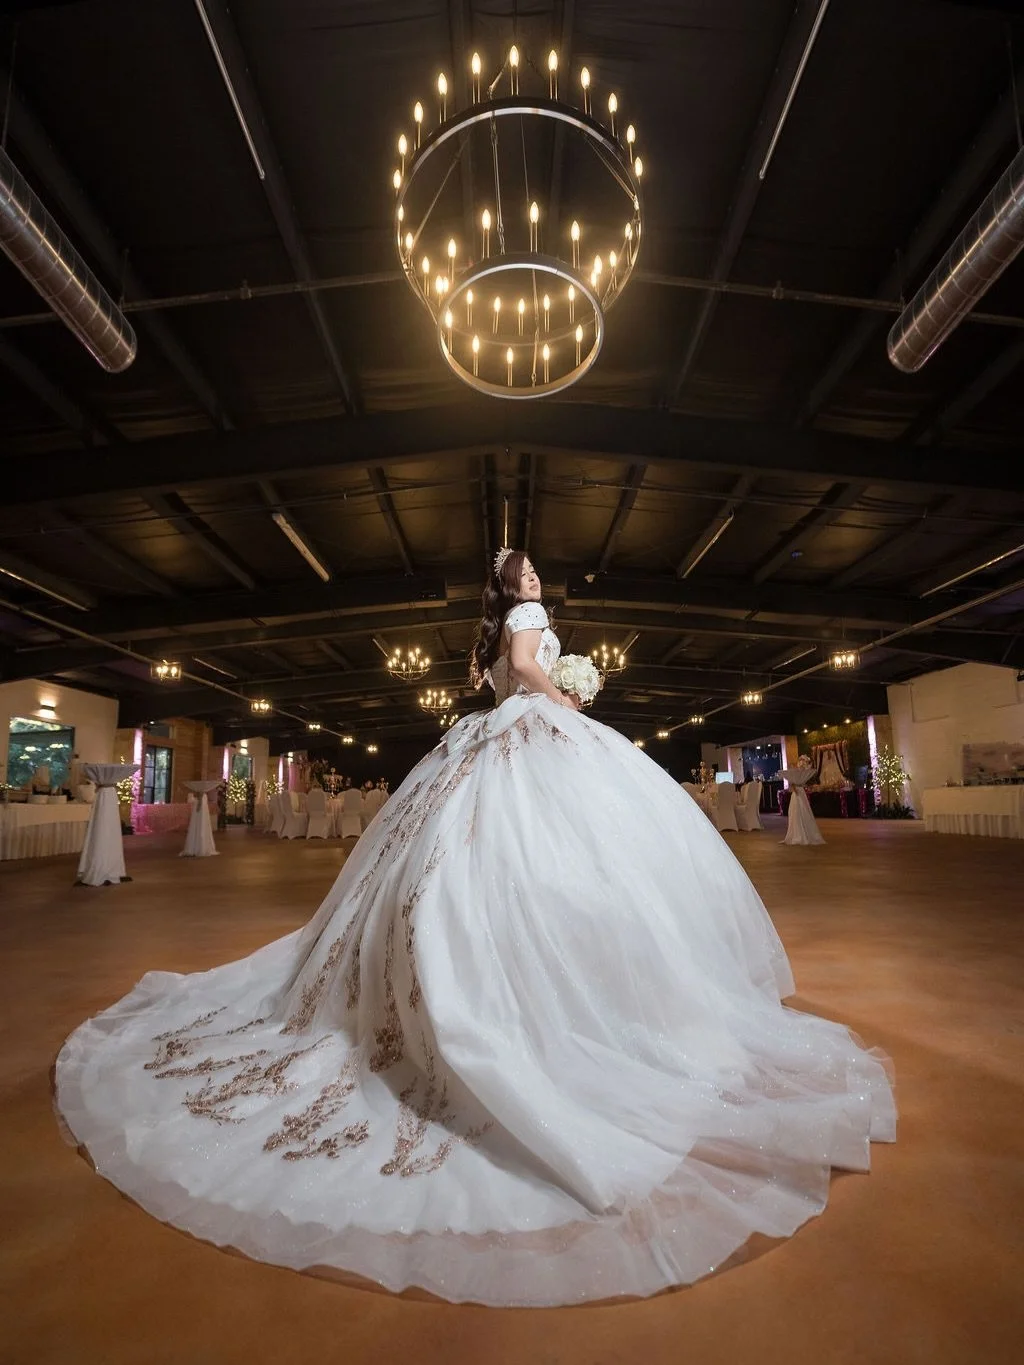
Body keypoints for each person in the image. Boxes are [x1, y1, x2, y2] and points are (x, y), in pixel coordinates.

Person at [54, 549, 895, 1308]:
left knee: (476, 864)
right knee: (549, 862)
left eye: (532, 575)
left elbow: (504, 669)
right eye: (523, 575)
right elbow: (527, 666)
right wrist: (563, 690)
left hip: (498, 738)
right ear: (511, 590)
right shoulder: (526, 628)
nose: (532, 581)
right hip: (533, 732)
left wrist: (552, 686)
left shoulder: (490, 633)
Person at [780, 754, 826, 847]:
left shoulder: (803, 773)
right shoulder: (798, 773)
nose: (801, 763)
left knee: (802, 811)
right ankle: (797, 834)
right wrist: (794, 785)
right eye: (800, 761)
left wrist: (795, 785)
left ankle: (801, 834)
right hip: (798, 792)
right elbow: (793, 782)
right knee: (795, 812)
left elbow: (796, 781)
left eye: (802, 761)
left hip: (799, 792)